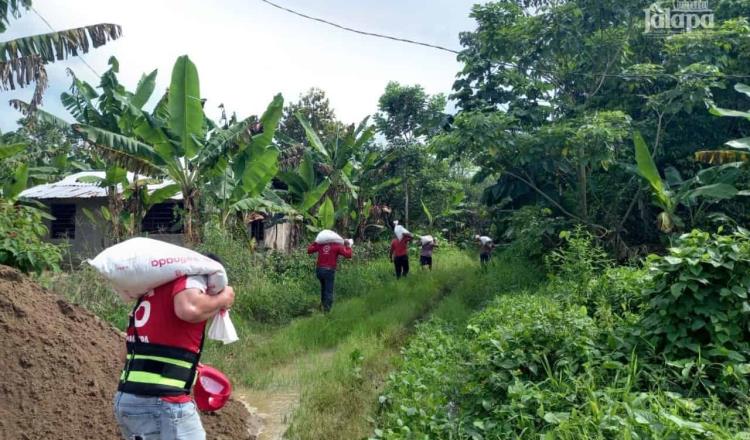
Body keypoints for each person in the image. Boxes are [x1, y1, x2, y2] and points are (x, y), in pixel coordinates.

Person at [114, 253, 235, 440]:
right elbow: (188, 309)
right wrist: (223, 299)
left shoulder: (150, 295)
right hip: (163, 402)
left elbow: (126, 354)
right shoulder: (192, 279)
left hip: (128, 399)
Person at [307, 239, 353, 312]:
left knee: (323, 288)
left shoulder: (321, 244)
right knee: (328, 291)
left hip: (319, 270)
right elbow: (348, 255)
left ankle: (322, 305)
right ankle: (327, 311)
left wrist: (316, 241)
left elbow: (309, 250)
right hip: (329, 271)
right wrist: (348, 246)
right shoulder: (337, 246)